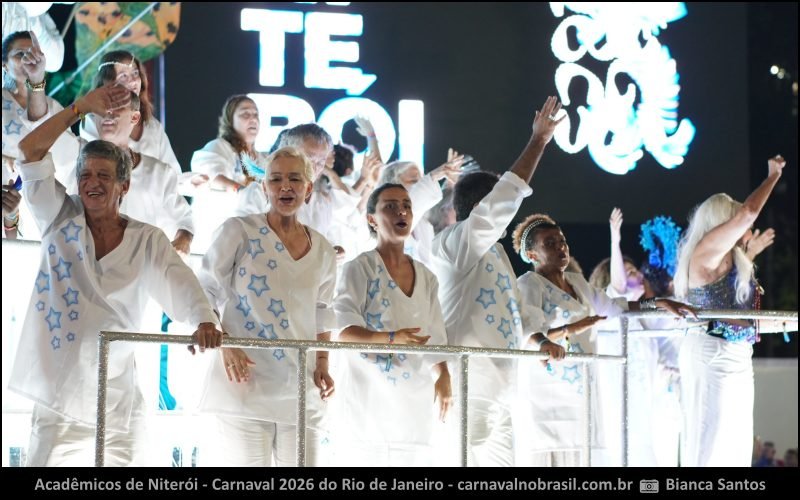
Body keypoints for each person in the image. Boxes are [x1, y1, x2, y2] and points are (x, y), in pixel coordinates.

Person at [8, 85, 222, 466]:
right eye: (86, 174)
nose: (93, 182)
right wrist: (79, 107)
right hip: (58, 400)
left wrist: (204, 319)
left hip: (119, 401)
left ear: (124, 186)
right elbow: (30, 151)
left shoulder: (147, 239)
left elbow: (182, 284)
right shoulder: (57, 218)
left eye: (104, 175)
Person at [429, 96, 566, 466]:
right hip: (468, 384)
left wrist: (539, 340)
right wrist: (537, 142)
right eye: (494, 208)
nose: (506, 217)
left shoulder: (497, 254)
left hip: (503, 385)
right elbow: (503, 201)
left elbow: (516, 310)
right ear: (478, 210)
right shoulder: (454, 245)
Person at [512, 213, 694, 466]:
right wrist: (553, 338)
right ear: (531, 255)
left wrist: (656, 303)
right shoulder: (529, 283)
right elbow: (529, 326)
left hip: (584, 386)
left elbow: (615, 306)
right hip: (551, 389)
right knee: (554, 452)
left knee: (587, 450)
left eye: (562, 240)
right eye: (550, 244)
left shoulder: (578, 282)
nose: (560, 247)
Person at [197, 147, 337, 467]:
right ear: (264, 188)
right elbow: (203, 291)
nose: (285, 186)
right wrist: (225, 343)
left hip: (301, 389)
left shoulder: (324, 250)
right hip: (244, 385)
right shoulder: (238, 231)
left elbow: (323, 311)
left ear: (309, 188)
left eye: (294, 179)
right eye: (275, 179)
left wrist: (324, 364)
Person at [674, 155, 796, 467]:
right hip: (711, 352)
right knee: (709, 441)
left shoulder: (735, 260)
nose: (745, 224)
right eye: (734, 218)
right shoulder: (706, 252)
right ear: (721, 221)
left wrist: (786, 322)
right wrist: (773, 175)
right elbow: (749, 212)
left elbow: (744, 320)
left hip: (738, 356)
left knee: (736, 446)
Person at [333, 183, 452, 466]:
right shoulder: (358, 268)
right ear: (372, 219)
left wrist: (444, 375)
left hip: (414, 405)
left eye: (407, 205)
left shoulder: (427, 277)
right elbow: (344, 332)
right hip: (368, 406)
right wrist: (390, 338)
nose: (402, 211)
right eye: (390, 206)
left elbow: (435, 337)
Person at [3, 31, 79, 239]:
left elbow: (69, 159)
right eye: (20, 54)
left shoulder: (55, 108)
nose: (28, 60)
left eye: (32, 53)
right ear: (4, 65)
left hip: (45, 213)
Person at [80, 51, 182, 176]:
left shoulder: (152, 125)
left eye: (135, 73)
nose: (133, 81)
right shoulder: (94, 121)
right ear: (108, 83)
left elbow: (173, 174)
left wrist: (189, 183)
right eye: (123, 76)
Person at [190, 94, 268, 252]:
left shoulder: (263, 160)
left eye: (256, 114)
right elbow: (212, 175)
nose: (252, 119)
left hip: (249, 245)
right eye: (245, 114)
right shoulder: (219, 147)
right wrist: (243, 191)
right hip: (212, 244)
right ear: (230, 120)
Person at [377, 149, 463, 268]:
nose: (420, 185)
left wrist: (451, 182)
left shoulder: (423, 222)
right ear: (393, 185)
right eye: (414, 181)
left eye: (421, 181)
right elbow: (413, 205)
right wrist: (433, 176)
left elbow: (443, 210)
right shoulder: (382, 221)